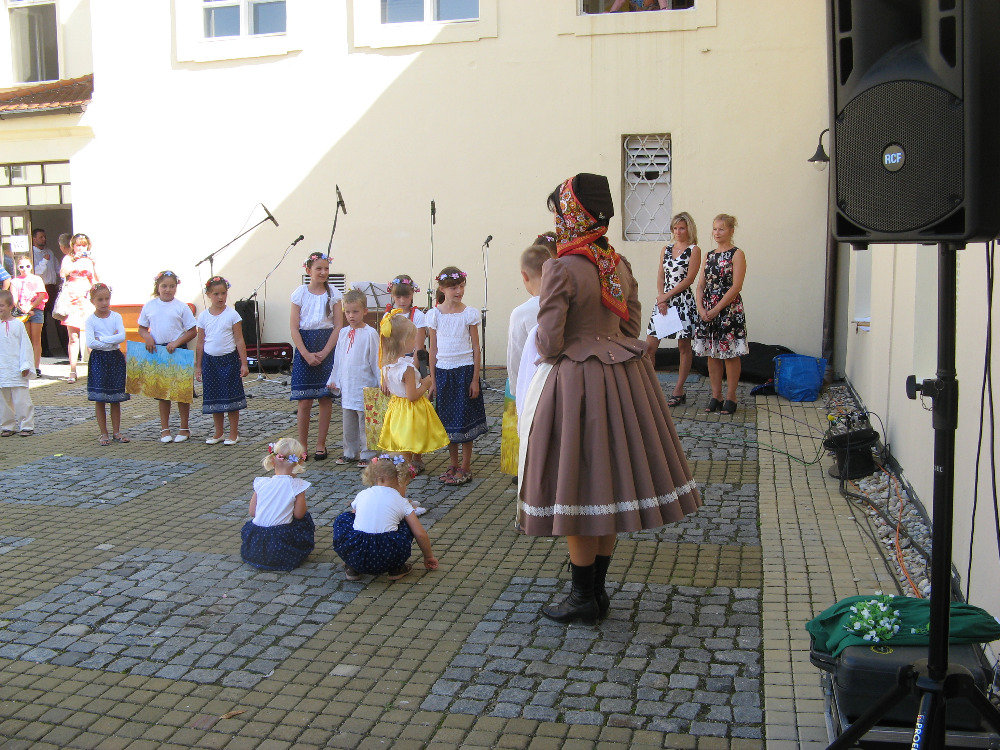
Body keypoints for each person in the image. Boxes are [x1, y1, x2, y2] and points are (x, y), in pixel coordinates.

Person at [519, 173, 700, 624]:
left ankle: (583, 597)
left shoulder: (561, 267)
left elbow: (549, 341)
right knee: (607, 486)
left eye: (559, 212)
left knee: (579, 488)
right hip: (623, 380)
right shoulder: (616, 263)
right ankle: (595, 591)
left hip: (577, 384)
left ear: (572, 215)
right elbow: (631, 327)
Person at [332, 454, 439, 581]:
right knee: (407, 523)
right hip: (388, 555)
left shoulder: (362, 494)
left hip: (358, 554)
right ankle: (396, 568)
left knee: (345, 518)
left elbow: (354, 517)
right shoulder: (401, 501)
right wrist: (428, 557)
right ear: (401, 480)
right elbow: (420, 534)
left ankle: (352, 567)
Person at [426, 266, 487, 486]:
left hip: (464, 372)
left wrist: (475, 379)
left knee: (465, 419)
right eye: (453, 287)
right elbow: (433, 349)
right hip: (444, 373)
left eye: (461, 286)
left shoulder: (468, 314)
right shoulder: (434, 315)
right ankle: (453, 463)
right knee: (448, 422)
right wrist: (433, 380)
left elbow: (476, 348)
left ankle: (466, 465)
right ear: (442, 288)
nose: (458, 291)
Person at [378, 313, 449, 478]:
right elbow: (412, 395)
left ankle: (401, 471)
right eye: (413, 338)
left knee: (403, 444)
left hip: (397, 409)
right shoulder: (407, 369)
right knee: (409, 444)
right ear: (403, 342)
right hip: (410, 412)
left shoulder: (387, 365)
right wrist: (426, 383)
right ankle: (402, 474)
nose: (416, 342)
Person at [645, 212, 702, 406]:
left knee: (683, 347)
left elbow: (689, 279)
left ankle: (679, 390)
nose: (678, 232)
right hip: (663, 301)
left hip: (683, 301)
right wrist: (661, 297)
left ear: (689, 229)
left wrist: (667, 296)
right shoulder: (666, 249)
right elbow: (661, 275)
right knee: (650, 347)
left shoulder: (694, 250)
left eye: (682, 228)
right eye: (675, 228)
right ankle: (651, 389)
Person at [290, 251, 343, 460]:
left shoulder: (334, 293)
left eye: (326, 268)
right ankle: (302, 446)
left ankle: (321, 444)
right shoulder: (300, 293)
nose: (323, 272)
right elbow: (294, 327)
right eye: (318, 268)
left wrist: (325, 351)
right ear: (308, 270)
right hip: (305, 346)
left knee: (325, 398)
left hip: (326, 345)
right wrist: (305, 354)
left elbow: (338, 326)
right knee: (304, 400)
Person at [693, 213, 748, 416]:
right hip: (708, 309)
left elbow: (736, 286)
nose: (717, 233)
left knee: (730, 354)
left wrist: (718, 308)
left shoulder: (737, 254)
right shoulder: (709, 255)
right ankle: (716, 395)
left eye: (721, 229)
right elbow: (700, 285)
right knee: (712, 353)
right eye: (715, 229)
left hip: (728, 310)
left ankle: (731, 396)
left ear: (731, 231)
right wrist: (701, 308)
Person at [501, 245, 547, 477]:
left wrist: (516, 393)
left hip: (531, 387)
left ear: (524, 276)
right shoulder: (568, 304)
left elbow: (515, 357)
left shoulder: (521, 312)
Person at [138, 270, 197, 442]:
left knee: (182, 392)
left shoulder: (181, 307)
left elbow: (192, 331)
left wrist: (177, 342)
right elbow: (142, 328)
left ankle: (184, 428)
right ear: (158, 286)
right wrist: (148, 338)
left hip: (178, 350)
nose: (168, 290)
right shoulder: (150, 306)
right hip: (159, 351)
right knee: (163, 393)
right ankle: (165, 429)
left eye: (172, 286)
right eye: (164, 286)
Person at [240, 438, 316, 571]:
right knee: (305, 519)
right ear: (299, 462)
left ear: (272, 460)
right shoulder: (297, 485)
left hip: (255, 543)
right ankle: (297, 550)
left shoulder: (262, 483)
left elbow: (252, 512)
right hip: (280, 544)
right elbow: (299, 514)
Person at [327, 289, 380, 466]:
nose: (351, 315)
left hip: (365, 385)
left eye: (355, 311)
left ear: (365, 311)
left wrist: (381, 382)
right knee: (348, 422)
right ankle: (350, 451)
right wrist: (334, 379)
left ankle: (368, 454)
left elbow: (376, 360)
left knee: (367, 422)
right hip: (349, 385)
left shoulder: (370, 333)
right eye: (347, 312)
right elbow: (338, 358)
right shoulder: (343, 333)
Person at [195, 276, 249, 445]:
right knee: (214, 396)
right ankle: (218, 432)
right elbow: (200, 342)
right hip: (210, 362)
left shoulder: (232, 315)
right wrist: (198, 366)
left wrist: (244, 363)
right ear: (208, 295)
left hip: (229, 360)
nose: (220, 297)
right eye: (216, 294)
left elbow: (239, 339)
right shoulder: (203, 316)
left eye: (223, 293)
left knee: (231, 397)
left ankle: (233, 433)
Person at [385, 273, 429, 472]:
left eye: (406, 296)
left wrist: (414, 371)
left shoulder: (417, 316)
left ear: (412, 295)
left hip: (412, 364)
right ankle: (403, 455)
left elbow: (419, 347)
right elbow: (385, 348)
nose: (402, 301)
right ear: (393, 296)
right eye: (398, 297)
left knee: (416, 418)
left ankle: (417, 457)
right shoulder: (389, 317)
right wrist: (385, 376)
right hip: (395, 365)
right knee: (401, 419)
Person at [84, 283, 130, 445]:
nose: (104, 303)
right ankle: (103, 433)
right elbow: (91, 342)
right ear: (92, 301)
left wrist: (103, 339)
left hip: (115, 358)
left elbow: (121, 337)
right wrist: (111, 341)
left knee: (115, 397)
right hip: (99, 359)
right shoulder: (90, 320)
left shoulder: (116, 317)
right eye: (100, 299)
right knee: (100, 397)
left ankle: (116, 431)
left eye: (107, 299)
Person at [60, 233, 99, 384]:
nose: (81, 248)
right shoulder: (68, 258)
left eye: (84, 245)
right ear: (73, 246)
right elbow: (63, 273)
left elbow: (97, 280)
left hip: (87, 299)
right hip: (72, 299)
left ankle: (95, 370)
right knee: (73, 337)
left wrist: (94, 264)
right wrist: (73, 260)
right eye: (78, 245)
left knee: (90, 336)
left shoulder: (90, 259)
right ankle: (73, 370)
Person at [0, 289, 35, 437]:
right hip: (2, 369)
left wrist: (25, 365)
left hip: (17, 368)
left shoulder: (18, 325)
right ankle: (7, 426)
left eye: (1, 305)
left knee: (22, 400)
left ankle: (26, 425)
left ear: (10, 306)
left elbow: (25, 346)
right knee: (3, 401)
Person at [10, 258, 47, 378]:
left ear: (31, 266)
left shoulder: (37, 279)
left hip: (36, 310)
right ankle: (27, 366)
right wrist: (23, 309)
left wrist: (30, 307)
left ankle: (36, 367)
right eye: (21, 267)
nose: (24, 269)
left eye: (27, 266)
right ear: (17, 268)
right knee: (26, 340)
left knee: (36, 340)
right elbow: (14, 299)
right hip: (22, 312)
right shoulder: (15, 281)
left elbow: (41, 296)